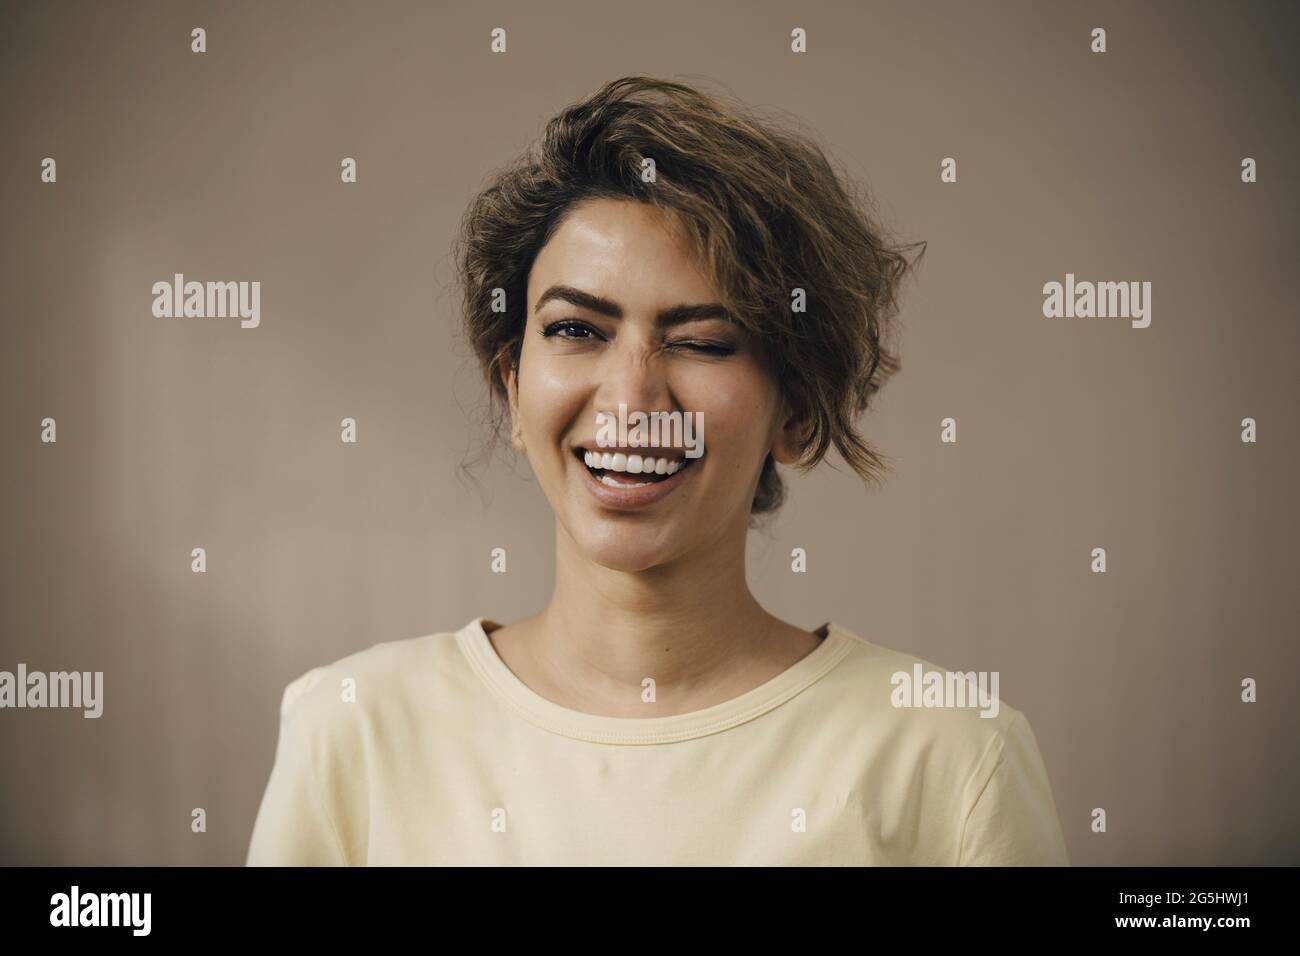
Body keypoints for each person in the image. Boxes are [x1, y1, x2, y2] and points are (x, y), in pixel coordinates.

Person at [246, 74, 1069, 866]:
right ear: (513, 392)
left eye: (704, 341)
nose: (634, 399)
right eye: (576, 330)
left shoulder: (952, 753)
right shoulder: (353, 729)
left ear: (796, 412)